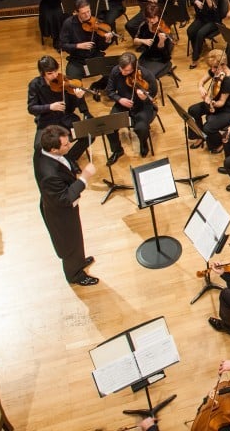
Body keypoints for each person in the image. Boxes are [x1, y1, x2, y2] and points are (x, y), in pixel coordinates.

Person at [33, 125, 98, 286]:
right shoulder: (49, 174)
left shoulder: (43, 149)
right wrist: (84, 177)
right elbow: (65, 198)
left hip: (63, 206)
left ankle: (79, 261)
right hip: (60, 213)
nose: (69, 145)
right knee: (69, 244)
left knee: (76, 238)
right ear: (54, 150)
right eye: (66, 145)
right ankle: (75, 275)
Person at [27, 55, 94, 163]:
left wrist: (77, 97)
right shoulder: (35, 85)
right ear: (42, 72)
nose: (54, 75)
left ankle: (69, 159)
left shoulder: (65, 82)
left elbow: (71, 107)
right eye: (50, 73)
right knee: (39, 147)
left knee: (89, 135)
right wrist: (49, 107)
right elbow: (31, 108)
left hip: (65, 118)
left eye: (55, 71)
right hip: (46, 121)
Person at [188, 50, 230, 154]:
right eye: (211, 67)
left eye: (215, 67)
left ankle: (219, 143)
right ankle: (200, 136)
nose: (212, 70)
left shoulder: (229, 79)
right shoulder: (215, 70)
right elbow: (201, 81)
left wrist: (210, 102)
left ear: (223, 64)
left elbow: (221, 102)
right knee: (193, 110)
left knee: (208, 127)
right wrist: (201, 87)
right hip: (215, 102)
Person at [105, 51, 158, 162]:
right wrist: (119, 99)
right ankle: (117, 150)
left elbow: (153, 93)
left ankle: (143, 144)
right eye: (122, 69)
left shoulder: (146, 75)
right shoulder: (115, 71)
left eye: (128, 70)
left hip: (142, 106)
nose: (124, 72)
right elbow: (109, 91)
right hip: (123, 105)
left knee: (141, 128)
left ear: (135, 67)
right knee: (109, 126)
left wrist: (144, 97)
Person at [59, 0, 115, 88]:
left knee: (113, 74)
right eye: (83, 13)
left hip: (94, 56)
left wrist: (107, 41)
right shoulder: (68, 24)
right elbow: (62, 45)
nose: (87, 15)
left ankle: (96, 86)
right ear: (76, 12)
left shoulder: (96, 22)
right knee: (73, 83)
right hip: (77, 60)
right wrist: (78, 46)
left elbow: (102, 47)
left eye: (88, 11)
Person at [186, 0, 228, 68]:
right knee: (190, 30)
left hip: (214, 21)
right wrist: (196, 1)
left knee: (200, 33)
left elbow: (219, 16)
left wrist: (210, 5)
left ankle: (195, 58)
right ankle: (198, 46)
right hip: (202, 18)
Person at [131, 2, 174, 77]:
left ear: (158, 16)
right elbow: (135, 41)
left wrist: (161, 41)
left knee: (146, 76)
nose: (151, 20)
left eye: (154, 17)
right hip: (146, 56)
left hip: (160, 59)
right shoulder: (144, 26)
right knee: (133, 72)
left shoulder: (164, 28)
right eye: (149, 18)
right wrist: (143, 41)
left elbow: (166, 53)